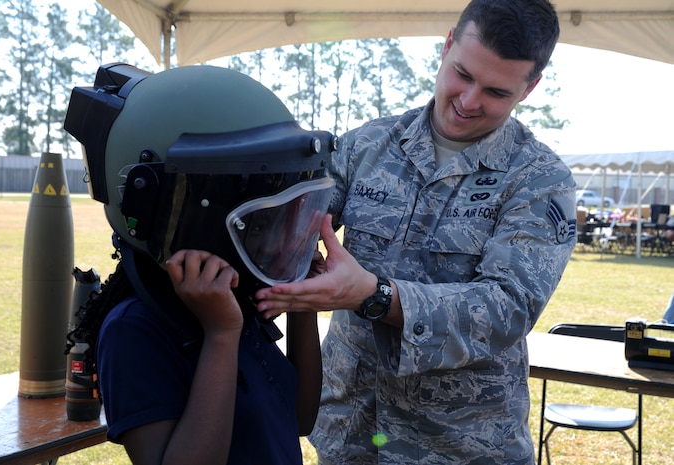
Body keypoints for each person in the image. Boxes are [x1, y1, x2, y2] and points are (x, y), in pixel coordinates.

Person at [255, 0, 577, 463]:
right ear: (447, 46)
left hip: (459, 446)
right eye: (462, 75)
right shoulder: (367, 145)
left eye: (496, 92)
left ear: (530, 88)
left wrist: (375, 294)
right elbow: (293, 220)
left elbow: (507, 308)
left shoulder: (539, 179)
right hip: (352, 432)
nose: (469, 101)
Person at [63, 63, 338, 464]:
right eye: (256, 222)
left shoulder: (232, 293)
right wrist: (222, 335)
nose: (274, 239)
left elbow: (300, 417)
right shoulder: (134, 331)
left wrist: (302, 308)